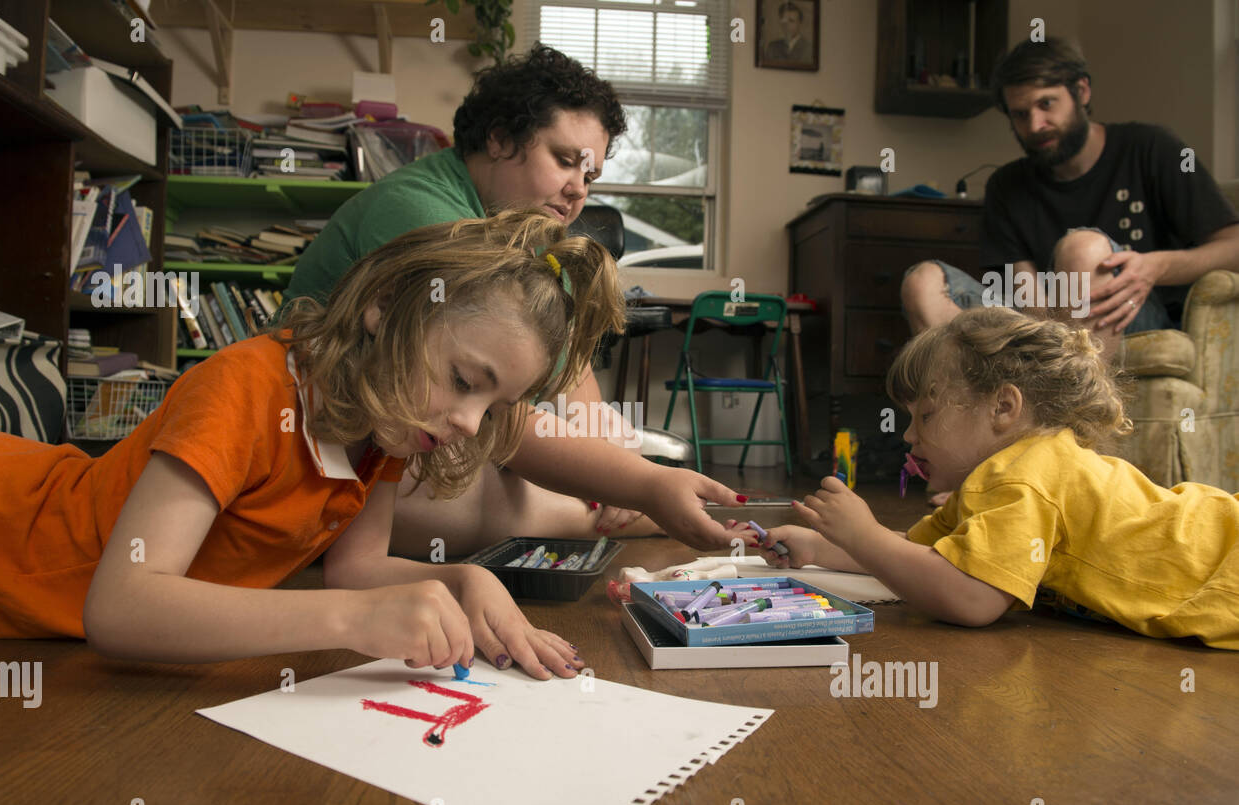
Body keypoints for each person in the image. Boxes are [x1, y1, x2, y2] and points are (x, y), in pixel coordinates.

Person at [0, 211, 628, 678]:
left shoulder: (384, 426)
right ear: (383, 307)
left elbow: (354, 569)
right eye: (461, 379)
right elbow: (119, 608)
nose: (472, 424)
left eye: (495, 404)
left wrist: (465, 576)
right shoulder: (245, 387)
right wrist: (352, 619)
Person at [285, 43, 746, 559]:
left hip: (423, 425)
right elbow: (484, 403)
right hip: (322, 439)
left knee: (549, 458)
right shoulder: (426, 216)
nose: (578, 191)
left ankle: (630, 512)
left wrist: (611, 460)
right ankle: (630, 521)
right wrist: (634, 486)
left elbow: (564, 369)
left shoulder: (529, 241)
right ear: (500, 138)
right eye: (565, 161)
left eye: (589, 176)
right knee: (467, 486)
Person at [730, 307, 1239, 650]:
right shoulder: (996, 479)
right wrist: (822, 548)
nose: (909, 436)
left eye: (925, 416)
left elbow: (973, 598)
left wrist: (862, 535)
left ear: (1002, 406)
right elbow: (925, 554)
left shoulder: (1026, 476)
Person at [901, 37, 1239, 506]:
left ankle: (1068, 466)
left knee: (1083, 250)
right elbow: (1023, 289)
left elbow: (1234, 244)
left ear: (1081, 91)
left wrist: (1154, 266)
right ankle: (972, 475)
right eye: (1020, 114)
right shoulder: (1007, 186)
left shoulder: (1151, 148)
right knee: (922, 282)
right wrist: (1038, 335)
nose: (1036, 124)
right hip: (1044, 320)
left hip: (1135, 309)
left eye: (1047, 105)